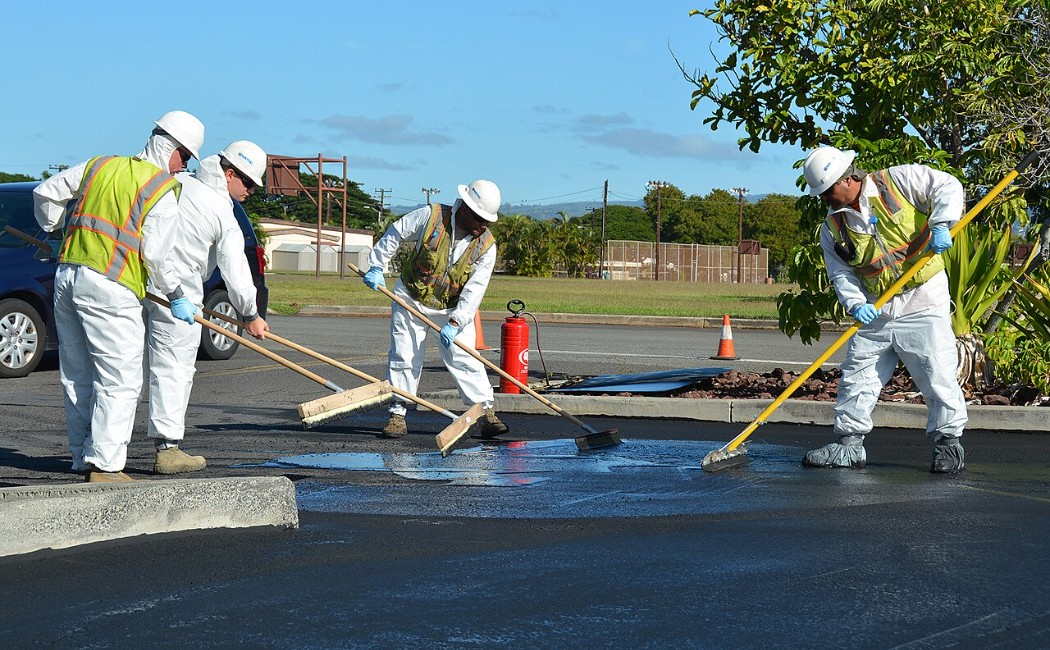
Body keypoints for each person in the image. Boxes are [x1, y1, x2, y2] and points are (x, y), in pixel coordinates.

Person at [33, 110, 206, 482]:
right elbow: (156, 256)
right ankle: (106, 466)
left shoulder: (99, 165)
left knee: (78, 374)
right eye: (185, 157)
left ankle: (83, 457)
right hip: (110, 288)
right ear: (170, 147)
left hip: (67, 276)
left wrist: (52, 228)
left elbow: (45, 193)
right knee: (120, 379)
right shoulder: (160, 188)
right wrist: (177, 294)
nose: (183, 168)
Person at [800, 146, 968, 473]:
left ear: (847, 178)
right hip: (877, 306)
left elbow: (947, 185)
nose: (824, 198)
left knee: (936, 371)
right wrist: (855, 303)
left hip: (923, 296)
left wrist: (942, 223)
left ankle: (949, 444)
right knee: (858, 374)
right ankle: (849, 445)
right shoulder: (832, 228)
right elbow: (840, 272)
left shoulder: (897, 181)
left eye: (827, 190)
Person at [143, 140, 271, 475]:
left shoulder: (178, 182)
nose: (250, 192)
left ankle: (95, 450)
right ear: (229, 174)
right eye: (248, 184)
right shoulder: (219, 208)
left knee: (121, 369)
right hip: (180, 289)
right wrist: (250, 315)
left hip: (138, 280)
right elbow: (236, 270)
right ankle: (167, 449)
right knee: (174, 366)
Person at [362, 179, 510, 439]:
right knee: (405, 354)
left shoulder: (486, 246)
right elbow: (397, 232)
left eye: (488, 221)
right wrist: (376, 265)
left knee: (465, 357)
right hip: (411, 295)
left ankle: (486, 413)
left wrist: (455, 324)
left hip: (451, 308)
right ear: (465, 207)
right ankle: (398, 414)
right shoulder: (431, 217)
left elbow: (475, 290)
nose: (483, 226)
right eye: (479, 219)